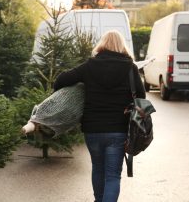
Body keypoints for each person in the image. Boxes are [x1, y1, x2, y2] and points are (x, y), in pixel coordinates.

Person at [53, 30, 146, 202]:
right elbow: (142, 98)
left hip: (92, 129)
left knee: (98, 168)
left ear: (102, 44)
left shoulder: (89, 66)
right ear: (121, 45)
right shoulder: (130, 68)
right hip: (118, 130)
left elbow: (60, 80)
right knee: (112, 175)